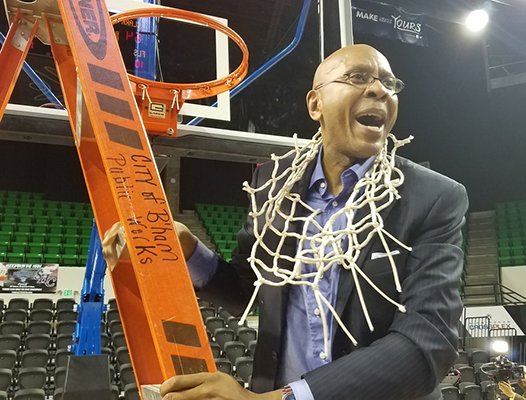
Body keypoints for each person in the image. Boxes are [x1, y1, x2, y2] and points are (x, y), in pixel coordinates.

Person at [103, 44, 468, 400]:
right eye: (358, 77)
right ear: (315, 104)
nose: (378, 89)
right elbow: (248, 290)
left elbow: (428, 342)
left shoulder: (432, 197)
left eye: (389, 83)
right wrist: (188, 249)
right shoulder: (273, 185)